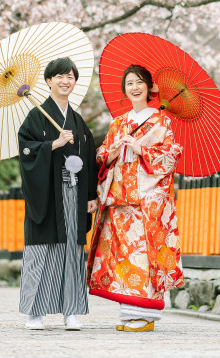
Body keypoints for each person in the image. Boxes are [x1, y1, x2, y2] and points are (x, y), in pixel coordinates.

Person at [87, 64, 184, 332]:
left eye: (140, 82)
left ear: (150, 87)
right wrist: (113, 152)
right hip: (119, 200)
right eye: (129, 83)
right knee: (123, 259)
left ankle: (145, 315)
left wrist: (141, 147)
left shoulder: (161, 121)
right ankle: (129, 314)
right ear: (124, 89)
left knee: (143, 258)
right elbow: (100, 157)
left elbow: (170, 158)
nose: (135, 87)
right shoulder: (117, 123)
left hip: (146, 202)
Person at [17, 57, 97, 330]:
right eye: (59, 76)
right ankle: (34, 313)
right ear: (48, 81)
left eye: (70, 77)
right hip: (47, 193)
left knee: (72, 251)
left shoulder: (77, 120)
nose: (66, 81)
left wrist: (90, 195)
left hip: (73, 193)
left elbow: (90, 157)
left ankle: (70, 311)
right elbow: (26, 151)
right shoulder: (36, 116)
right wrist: (54, 143)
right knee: (41, 249)